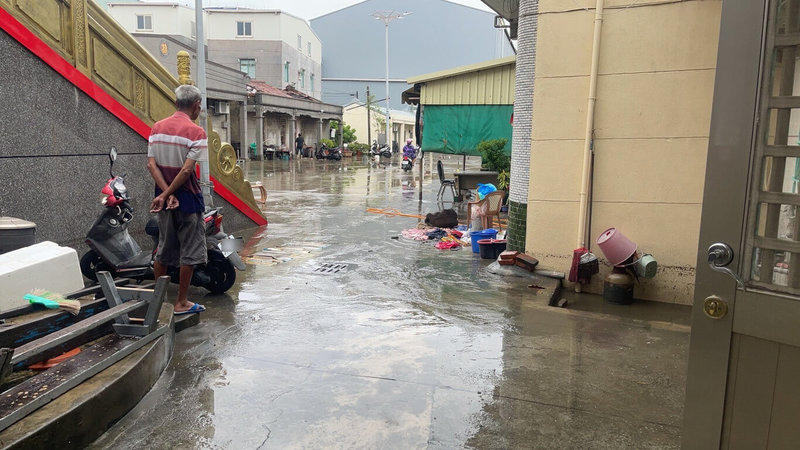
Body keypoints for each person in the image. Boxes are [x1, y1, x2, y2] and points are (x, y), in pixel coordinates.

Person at [146, 84, 208, 315]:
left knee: (163, 248)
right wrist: (169, 194)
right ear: (196, 106)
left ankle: (161, 300)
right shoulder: (196, 132)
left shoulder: (157, 127)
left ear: (175, 103)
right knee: (189, 252)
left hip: (163, 199)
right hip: (188, 198)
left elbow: (151, 165)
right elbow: (186, 171)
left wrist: (163, 194)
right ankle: (181, 302)